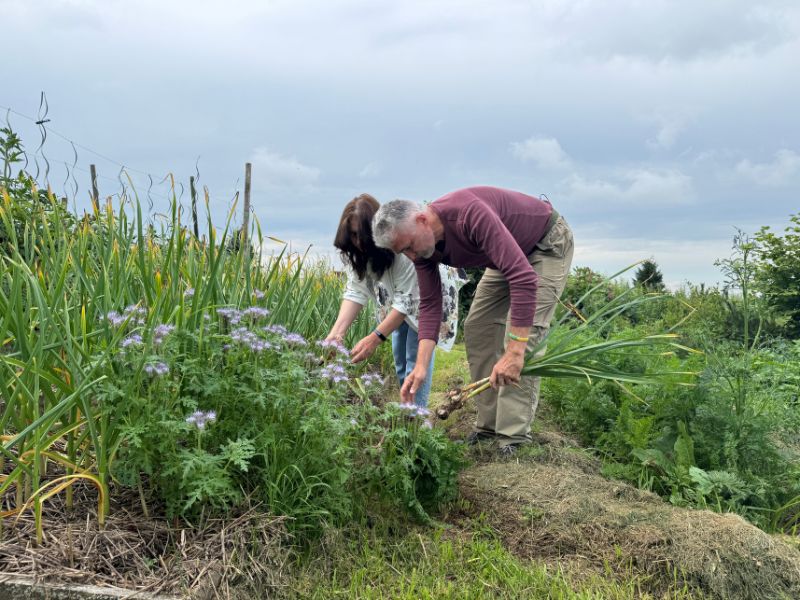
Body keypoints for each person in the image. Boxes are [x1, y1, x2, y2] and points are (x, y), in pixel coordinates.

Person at [371, 186, 574, 454]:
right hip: (505, 257)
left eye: (408, 246)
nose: (411, 256)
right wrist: (420, 367)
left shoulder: (469, 214)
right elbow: (430, 305)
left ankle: (513, 437)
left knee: (525, 335)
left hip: (544, 244)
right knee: (478, 327)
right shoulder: (423, 249)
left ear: (421, 220)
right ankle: (488, 427)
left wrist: (515, 350)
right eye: (403, 252)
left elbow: (523, 278)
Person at [325, 193, 465, 407]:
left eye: (362, 234)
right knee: (399, 355)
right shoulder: (357, 252)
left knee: (414, 357)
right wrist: (336, 334)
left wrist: (374, 338)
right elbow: (355, 291)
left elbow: (407, 300)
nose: (358, 241)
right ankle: (406, 407)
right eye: (352, 234)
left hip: (427, 295)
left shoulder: (402, 249)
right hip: (398, 297)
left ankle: (416, 416)